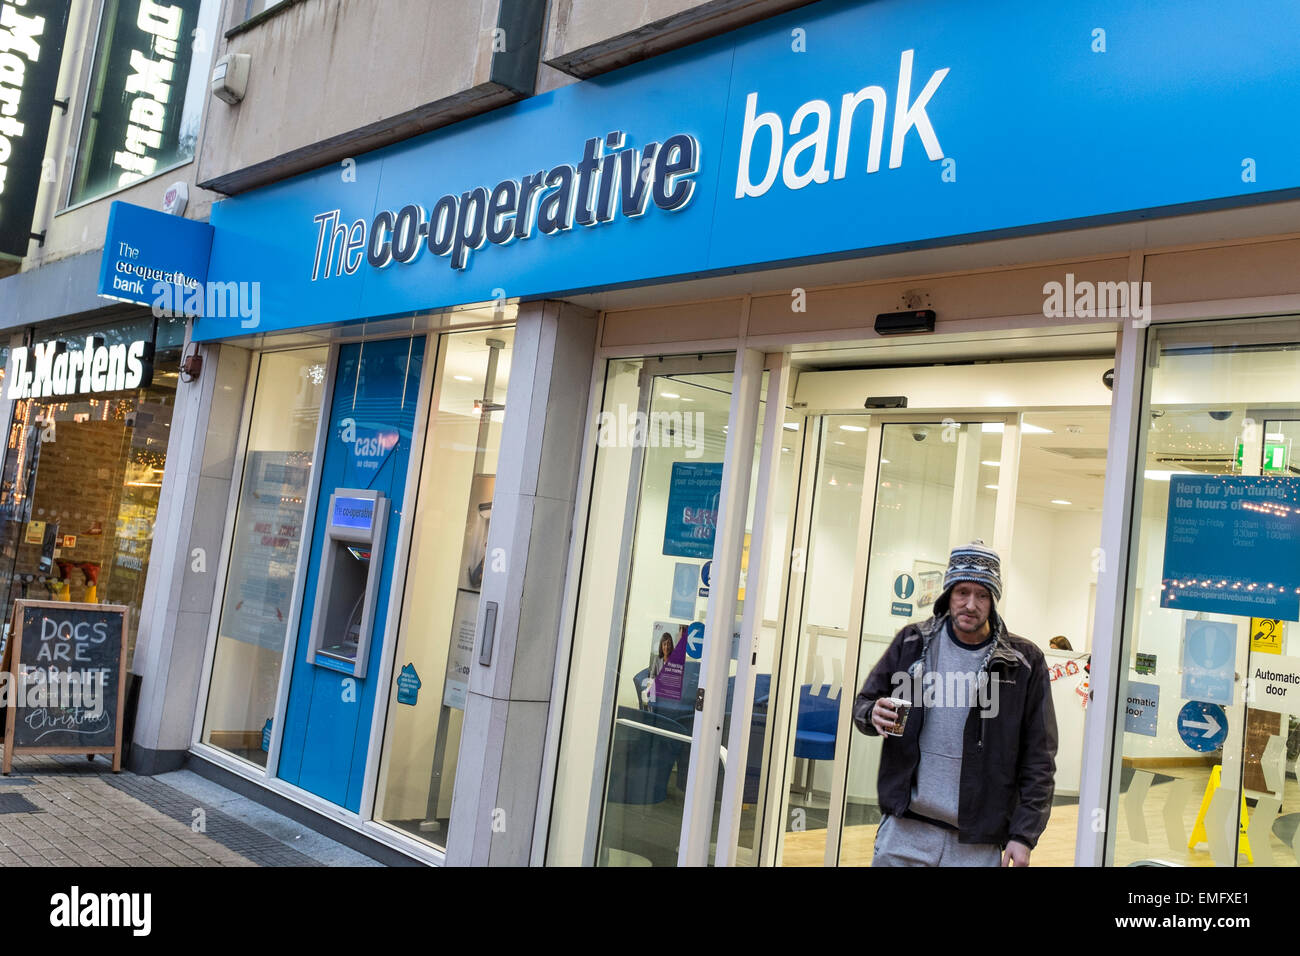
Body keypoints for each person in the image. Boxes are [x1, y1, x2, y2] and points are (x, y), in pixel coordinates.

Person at [853, 541, 1058, 867]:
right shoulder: (911, 642)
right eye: (962, 592)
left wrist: (1023, 835)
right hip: (905, 831)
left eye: (982, 595)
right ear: (948, 594)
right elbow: (864, 704)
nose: (971, 604)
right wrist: (871, 713)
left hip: (977, 843)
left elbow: (1039, 759)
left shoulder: (1023, 662)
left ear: (993, 601)